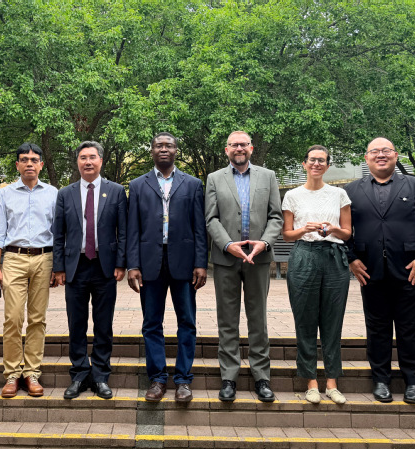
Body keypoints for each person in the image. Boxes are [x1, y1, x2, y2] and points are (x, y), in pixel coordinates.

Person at [345, 137, 415, 404]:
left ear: (396, 156)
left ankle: (413, 382)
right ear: (366, 158)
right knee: (377, 329)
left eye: (386, 150)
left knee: (410, 328)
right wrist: (351, 259)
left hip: (410, 269)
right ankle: (381, 381)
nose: (381, 155)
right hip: (369, 269)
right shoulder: (351, 190)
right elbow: (342, 229)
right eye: (374, 151)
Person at [127, 132, 208, 403]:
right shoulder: (137, 185)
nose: (164, 149)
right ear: (152, 151)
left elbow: (199, 228)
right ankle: (158, 379)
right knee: (151, 323)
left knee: (187, 322)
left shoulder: (193, 184)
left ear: (176, 150)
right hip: (150, 262)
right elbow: (132, 228)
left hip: (184, 262)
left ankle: (183, 380)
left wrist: (200, 263)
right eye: (159, 145)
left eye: (169, 145)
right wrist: (133, 264)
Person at [205, 131, 282, 403]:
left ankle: (262, 377)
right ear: (226, 150)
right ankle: (229, 377)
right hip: (226, 259)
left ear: (251, 148)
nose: (239, 148)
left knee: (258, 319)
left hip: (258, 259)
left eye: (244, 144)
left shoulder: (268, 176)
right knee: (227, 321)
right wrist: (228, 245)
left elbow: (276, 216)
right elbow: (211, 218)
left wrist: (265, 242)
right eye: (234, 145)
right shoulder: (214, 178)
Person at [52, 141, 127, 400]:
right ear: (77, 162)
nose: (88, 162)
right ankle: (79, 374)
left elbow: (123, 231)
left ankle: (101, 376)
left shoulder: (116, 191)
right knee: (76, 323)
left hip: (105, 267)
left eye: (92, 157)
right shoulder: (65, 193)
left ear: (101, 161)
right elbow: (58, 233)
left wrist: (120, 263)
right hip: (76, 266)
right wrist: (59, 267)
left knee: (103, 324)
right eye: (83, 157)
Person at [281, 145, 351, 404]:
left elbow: (347, 233)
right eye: (312, 160)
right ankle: (311, 382)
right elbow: (287, 234)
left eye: (322, 160)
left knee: (333, 321)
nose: (317, 164)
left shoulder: (339, 194)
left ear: (328, 165)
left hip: (334, 256)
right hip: (304, 255)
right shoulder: (292, 195)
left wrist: (333, 229)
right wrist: (304, 229)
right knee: (305, 320)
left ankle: (332, 383)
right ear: (304, 163)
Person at [0, 143, 58, 398]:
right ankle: (12, 374)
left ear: (41, 164)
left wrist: (57, 267)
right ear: (17, 165)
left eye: (33, 160)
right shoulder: (5, 194)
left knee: (37, 318)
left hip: (44, 258)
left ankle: (32, 373)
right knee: (13, 318)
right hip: (14, 258)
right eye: (24, 159)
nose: (29, 163)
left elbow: (59, 232)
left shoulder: (53, 193)